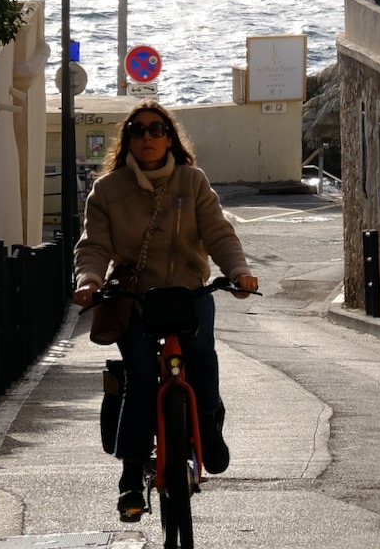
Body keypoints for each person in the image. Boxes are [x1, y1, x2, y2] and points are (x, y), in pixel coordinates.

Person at [73, 101, 259, 522]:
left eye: (157, 129)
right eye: (138, 130)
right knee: (140, 376)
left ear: (170, 137)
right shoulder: (107, 190)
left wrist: (239, 272)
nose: (148, 137)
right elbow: (94, 245)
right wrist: (89, 280)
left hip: (189, 293)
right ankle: (130, 476)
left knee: (202, 355)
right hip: (136, 299)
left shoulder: (192, 181)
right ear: (128, 140)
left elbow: (218, 233)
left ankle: (208, 425)